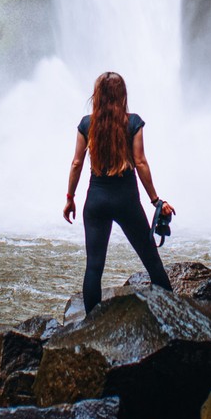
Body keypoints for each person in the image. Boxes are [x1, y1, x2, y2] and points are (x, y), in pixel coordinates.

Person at [63, 71, 175, 312]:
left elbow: (76, 164)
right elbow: (141, 162)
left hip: (96, 201)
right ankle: (173, 315)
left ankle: (91, 325)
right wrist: (156, 200)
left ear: (98, 96)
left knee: (94, 267)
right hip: (127, 201)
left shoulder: (86, 124)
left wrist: (70, 198)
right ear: (122, 95)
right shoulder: (133, 122)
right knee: (151, 261)